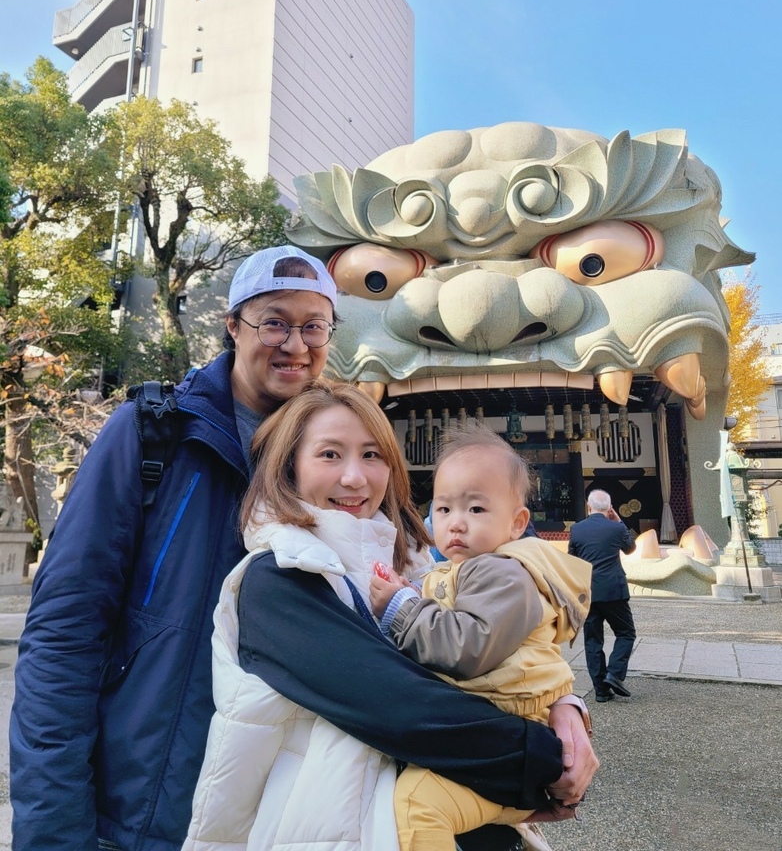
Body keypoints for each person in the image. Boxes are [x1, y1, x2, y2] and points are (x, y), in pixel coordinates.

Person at [10, 244, 341, 851]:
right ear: (233, 325)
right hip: (148, 806)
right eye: (274, 321)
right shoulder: (152, 432)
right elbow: (65, 631)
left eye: (313, 325)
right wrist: (54, 830)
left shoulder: (339, 458)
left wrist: (559, 708)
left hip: (285, 812)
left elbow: (410, 604)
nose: (296, 344)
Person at [184, 382, 599, 851]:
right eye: (329, 455)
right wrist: (546, 757)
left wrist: (565, 706)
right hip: (334, 829)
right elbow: (407, 709)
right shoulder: (278, 578)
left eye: (372, 455)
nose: (355, 478)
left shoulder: (418, 566)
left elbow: (492, 650)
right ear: (289, 468)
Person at [369, 422, 593, 851]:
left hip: (504, 738)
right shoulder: (457, 570)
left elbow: (468, 645)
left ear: (517, 523)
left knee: (417, 806)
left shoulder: (503, 571)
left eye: (476, 510)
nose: (456, 524)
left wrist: (400, 606)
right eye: (444, 509)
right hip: (487, 735)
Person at [567, 489, 637, 702]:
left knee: (593, 640)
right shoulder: (615, 528)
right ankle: (614, 674)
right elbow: (630, 548)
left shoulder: (577, 529)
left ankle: (601, 690)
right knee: (626, 632)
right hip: (614, 590)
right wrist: (619, 522)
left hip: (588, 593)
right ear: (609, 508)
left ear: (589, 507)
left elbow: (572, 561)